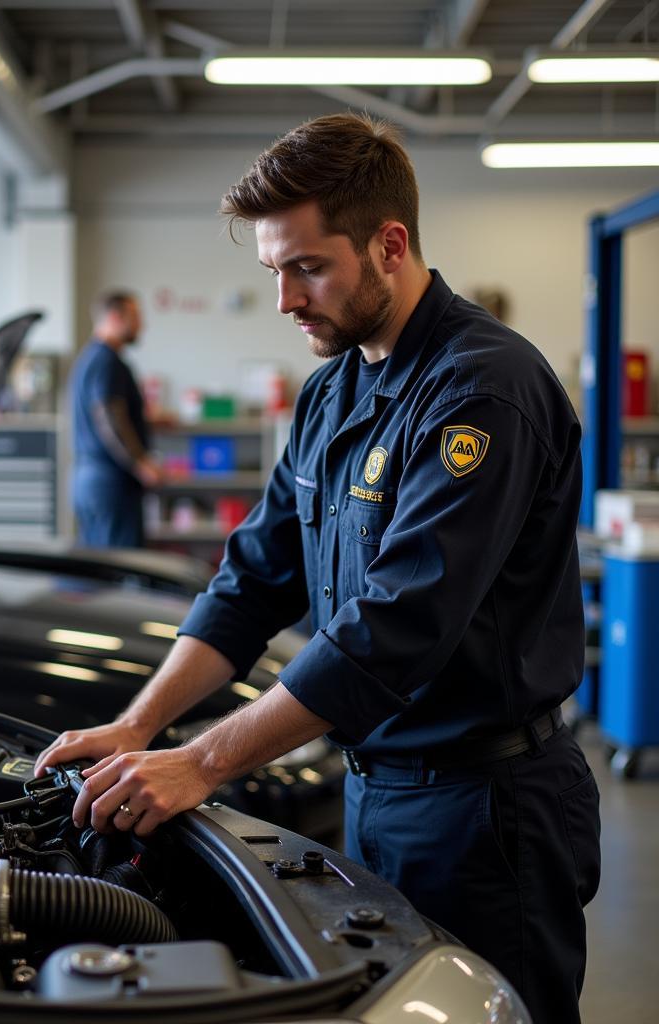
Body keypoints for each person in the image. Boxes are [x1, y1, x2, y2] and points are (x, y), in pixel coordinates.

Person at [37, 114, 601, 1024]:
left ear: (390, 244)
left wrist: (202, 763)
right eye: (273, 272)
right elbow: (254, 578)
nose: (286, 300)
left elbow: (394, 627)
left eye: (308, 268)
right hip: (375, 793)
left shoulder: (482, 391)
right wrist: (138, 725)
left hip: (487, 815)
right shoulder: (333, 390)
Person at [70, 291, 162, 547]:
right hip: (110, 484)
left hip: (88, 480)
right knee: (119, 570)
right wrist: (140, 463)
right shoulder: (107, 361)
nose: (141, 325)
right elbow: (109, 416)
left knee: (99, 570)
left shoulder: (90, 358)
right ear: (114, 317)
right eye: (135, 317)